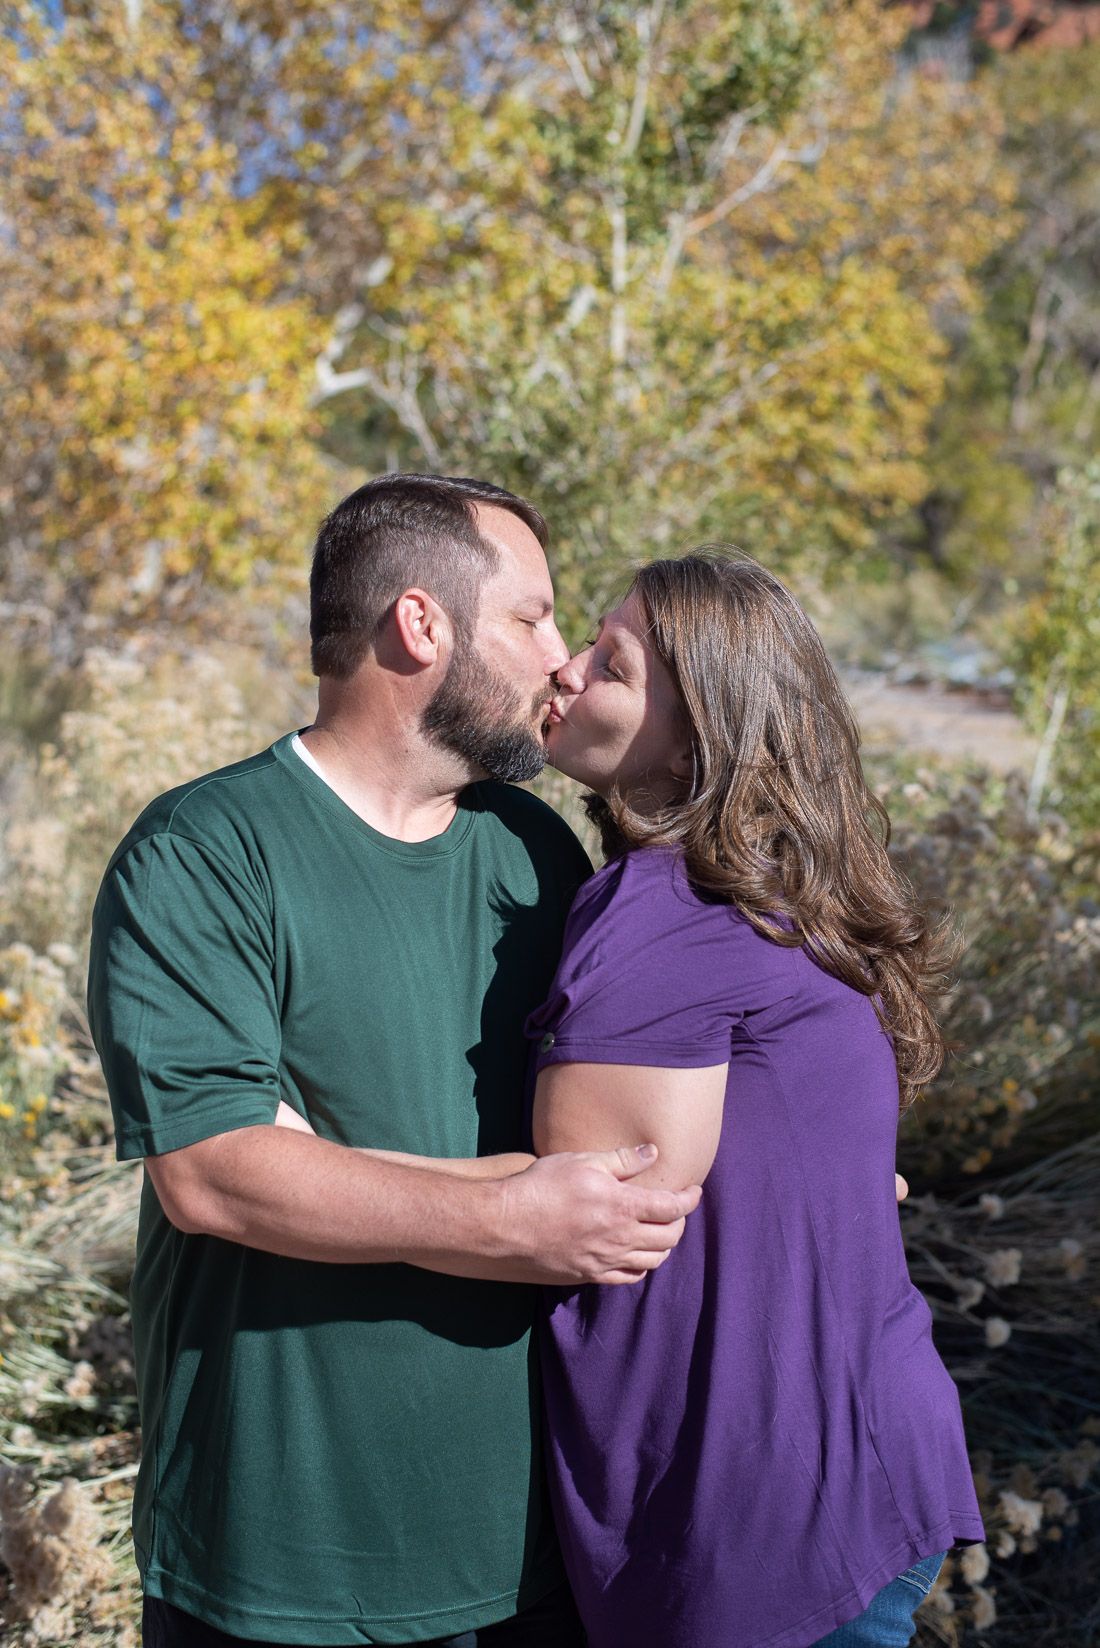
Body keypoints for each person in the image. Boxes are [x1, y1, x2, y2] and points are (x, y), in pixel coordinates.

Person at [87, 473, 703, 1648]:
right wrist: (511, 1219)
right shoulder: (205, 852)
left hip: (532, 1550)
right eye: (530, 617)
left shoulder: (532, 851)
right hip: (278, 1559)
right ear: (420, 625)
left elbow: (629, 1129)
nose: (558, 660)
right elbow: (215, 1173)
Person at [525, 550, 986, 1648]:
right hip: (852, 1466)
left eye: (610, 663)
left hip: (769, 1516)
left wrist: (309, 1165)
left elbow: (592, 1218)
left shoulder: (666, 906)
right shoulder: (770, 893)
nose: (564, 669)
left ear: (695, 733)